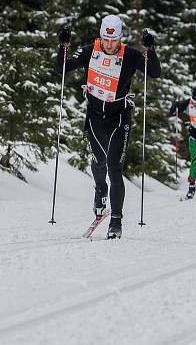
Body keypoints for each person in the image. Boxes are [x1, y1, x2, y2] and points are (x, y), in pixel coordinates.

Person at [55, 15, 160, 239]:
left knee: (114, 166)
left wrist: (150, 49)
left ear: (120, 37)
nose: (109, 45)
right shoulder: (88, 51)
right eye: (105, 40)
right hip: (93, 118)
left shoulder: (130, 55)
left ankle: (116, 221)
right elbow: (61, 68)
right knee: (98, 161)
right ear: (101, 36)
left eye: (114, 41)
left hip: (119, 117)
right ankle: (100, 189)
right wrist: (63, 45)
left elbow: (154, 72)